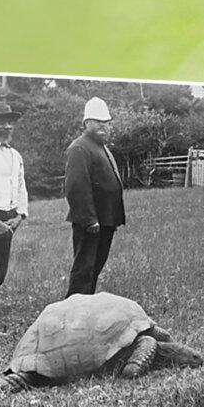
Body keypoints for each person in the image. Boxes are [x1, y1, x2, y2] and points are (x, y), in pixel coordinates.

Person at [64, 97, 125, 297]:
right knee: (84, 270)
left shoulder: (101, 147)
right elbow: (76, 187)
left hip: (106, 220)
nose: (103, 125)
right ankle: (73, 312)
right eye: (97, 121)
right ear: (85, 123)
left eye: (106, 122)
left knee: (94, 269)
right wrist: (89, 219)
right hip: (91, 222)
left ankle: (86, 308)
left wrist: (114, 218)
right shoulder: (79, 147)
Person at [0, 101, 28, 343]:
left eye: (11, 121)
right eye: (3, 120)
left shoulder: (14, 155)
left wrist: (19, 217)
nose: (9, 125)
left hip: (8, 218)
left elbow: (21, 186)